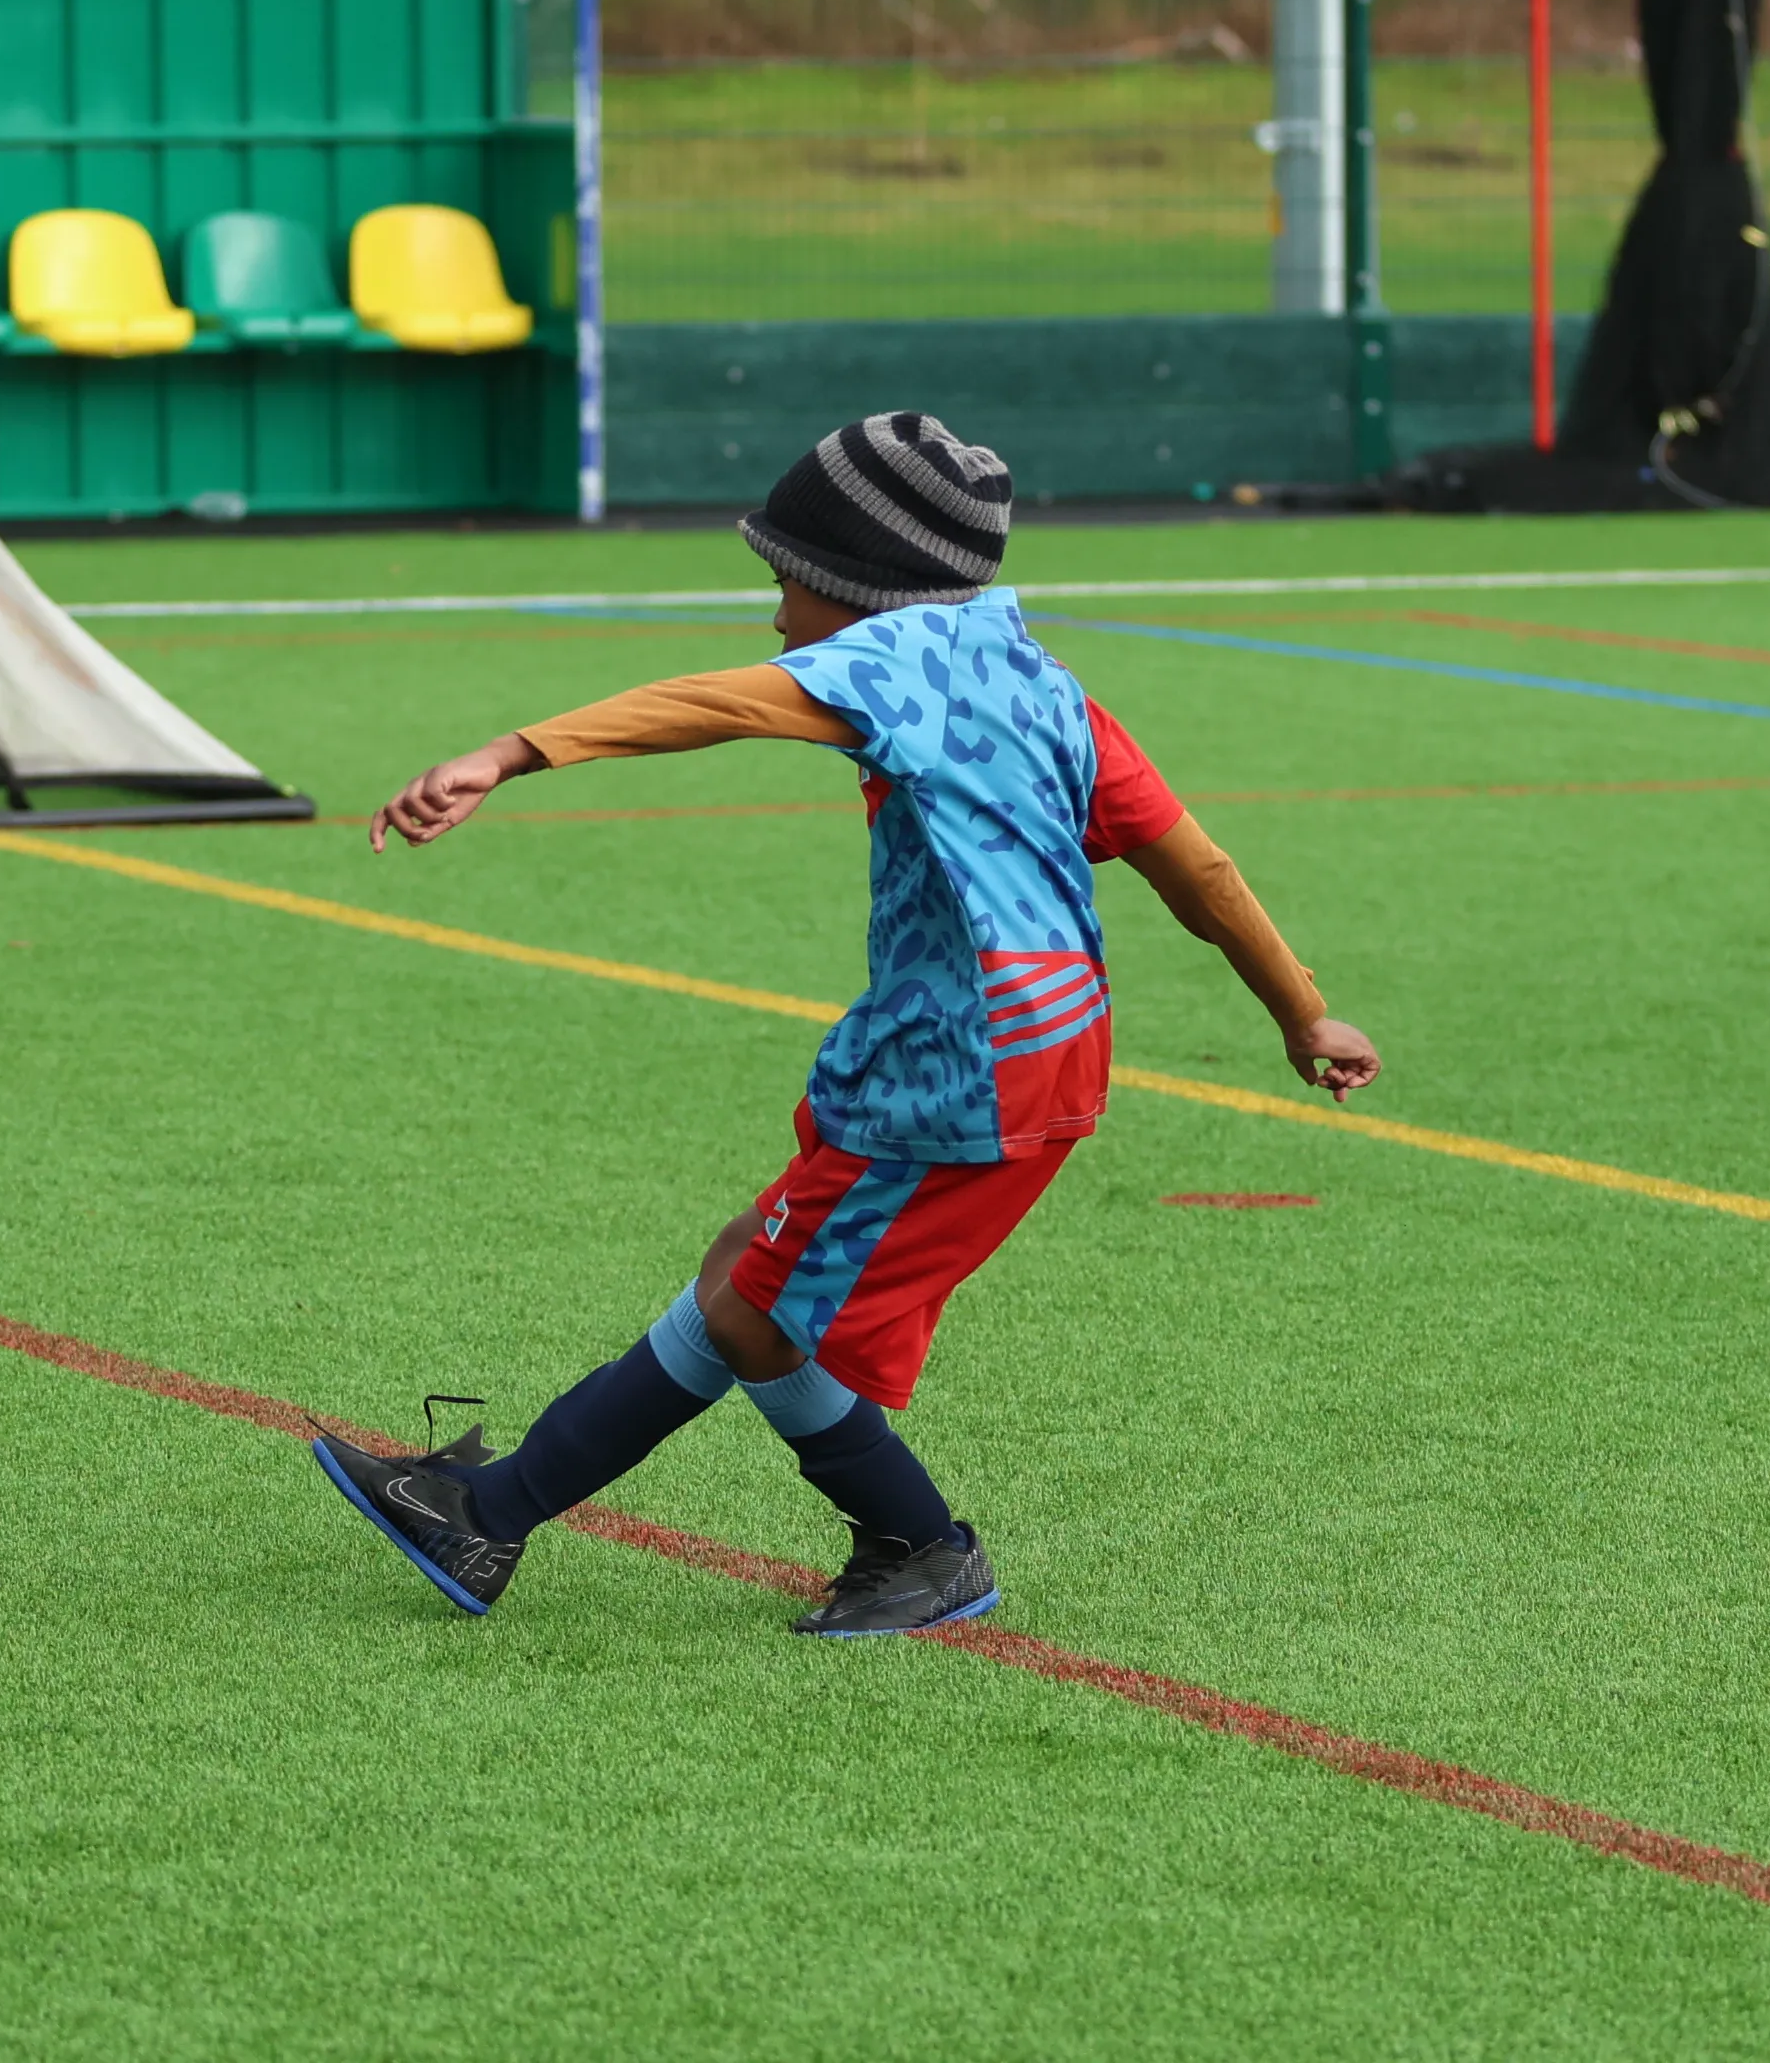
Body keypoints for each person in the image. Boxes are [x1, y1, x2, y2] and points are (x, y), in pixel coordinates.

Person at [315, 412, 1382, 1636]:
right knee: (747, 1272)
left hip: (961, 1073)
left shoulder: (890, 656)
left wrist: (510, 753)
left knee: (755, 1318)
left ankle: (895, 1545)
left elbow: (719, 703)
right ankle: (502, 1505)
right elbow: (1199, 870)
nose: (775, 614)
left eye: (786, 581)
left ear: (856, 586)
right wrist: (1303, 1009)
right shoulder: (1045, 685)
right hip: (1030, 1044)